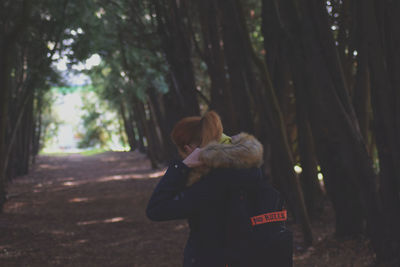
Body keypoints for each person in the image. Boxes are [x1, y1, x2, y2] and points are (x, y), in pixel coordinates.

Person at [146, 111, 266, 266]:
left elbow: (156, 209)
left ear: (189, 149)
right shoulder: (250, 168)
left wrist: (182, 166)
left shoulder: (209, 183)